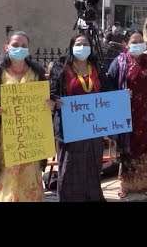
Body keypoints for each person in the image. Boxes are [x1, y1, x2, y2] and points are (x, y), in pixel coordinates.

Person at [0, 31, 55, 202]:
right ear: (7, 48)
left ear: (28, 49)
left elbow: (48, 96)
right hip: (6, 138)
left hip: (32, 138)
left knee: (30, 180)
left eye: (23, 46)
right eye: (15, 45)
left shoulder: (37, 71)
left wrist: (50, 103)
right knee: (8, 180)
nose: (19, 48)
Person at [49, 34, 112, 202]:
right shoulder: (61, 67)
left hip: (94, 126)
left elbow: (107, 91)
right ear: (71, 46)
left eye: (86, 44)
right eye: (79, 44)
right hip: (70, 127)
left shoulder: (97, 67)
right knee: (70, 165)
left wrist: (121, 97)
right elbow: (52, 92)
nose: (82, 47)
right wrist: (55, 102)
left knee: (93, 164)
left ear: (91, 48)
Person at [108, 30, 147, 198]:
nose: (138, 44)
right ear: (126, 44)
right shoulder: (118, 62)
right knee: (127, 151)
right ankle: (126, 185)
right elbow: (108, 86)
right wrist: (120, 94)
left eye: (140, 41)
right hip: (127, 115)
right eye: (134, 42)